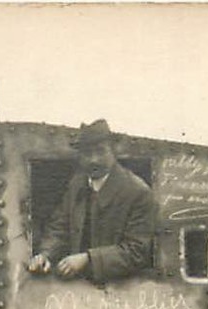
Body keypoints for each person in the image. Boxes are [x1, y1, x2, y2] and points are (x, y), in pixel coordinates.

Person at [28, 119, 156, 283]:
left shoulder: (138, 192)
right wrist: (45, 254)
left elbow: (136, 251)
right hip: (79, 290)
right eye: (88, 153)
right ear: (80, 156)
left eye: (100, 151)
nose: (94, 159)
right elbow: (59, 227)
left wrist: (88, 259)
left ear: (113, 151)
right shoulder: (77, 185)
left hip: (120, 290)